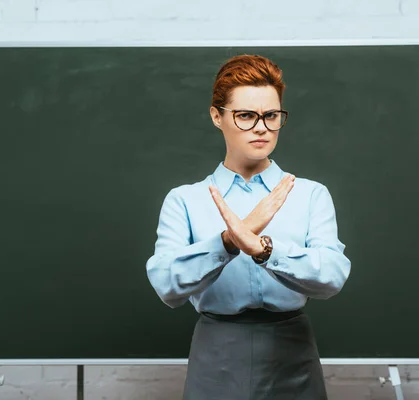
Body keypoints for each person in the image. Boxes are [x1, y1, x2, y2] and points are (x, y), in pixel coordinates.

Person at [145, 54, 351, 400]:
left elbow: (331, 277)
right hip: (216, 352)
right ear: (217, 116)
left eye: (271, 116)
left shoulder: (310, 194)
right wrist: (227, 242)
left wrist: (263, 249)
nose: (261, 127)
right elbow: (166, 285)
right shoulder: (185, 200)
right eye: (245, 116)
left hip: (292, 351)